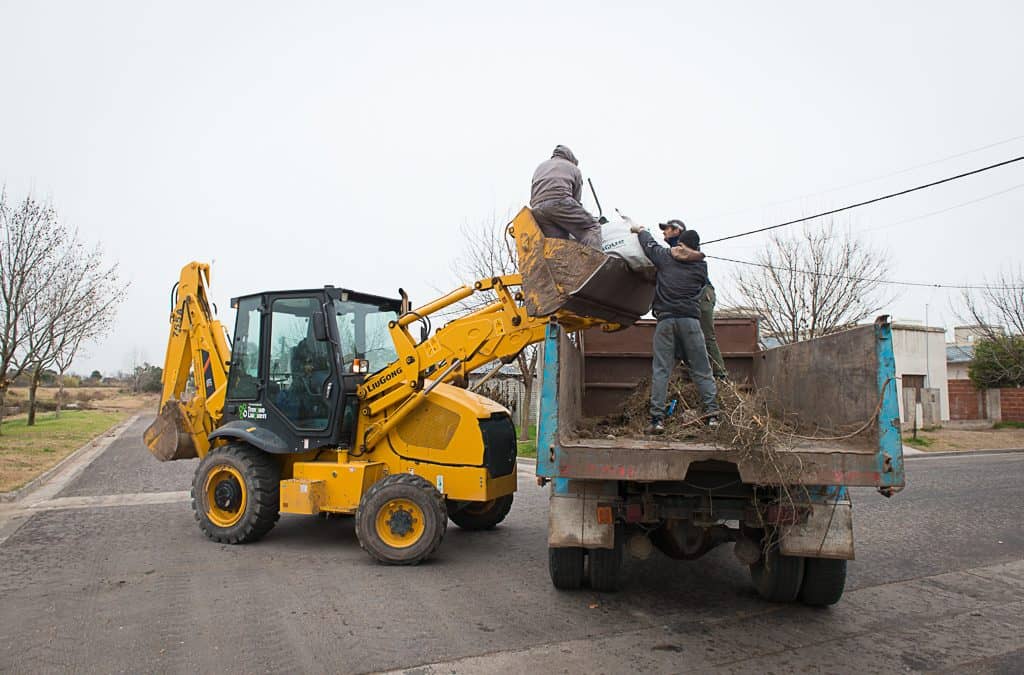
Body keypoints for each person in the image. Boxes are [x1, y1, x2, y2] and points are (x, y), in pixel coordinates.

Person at [629, 222, 720, 434]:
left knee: (662, 370)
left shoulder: (664, 257)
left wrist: (640, 230)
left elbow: (649, 245)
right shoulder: (701, 267)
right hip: (690, 322)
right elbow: (699, 288)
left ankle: (657, 421)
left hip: (666, 321)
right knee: (702, 370)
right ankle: (713, 415)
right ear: (696, 248)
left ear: (680, 243)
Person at [672, 230, 728, 380]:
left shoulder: (688, 252)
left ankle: (720, 373)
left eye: (667, 228)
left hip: (703, 295)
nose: (663, 231)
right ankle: (689, 372)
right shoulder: (678, 248)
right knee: (685, 333)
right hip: (694, 296)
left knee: (706, 335)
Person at [530, 145, 604, 250]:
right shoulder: (573, 168)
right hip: (560, 202)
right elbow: (576, 200)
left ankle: (559, 266)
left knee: (559, 245)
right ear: (570, 157)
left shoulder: (540, 167)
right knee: (592, 227)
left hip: (537, 209)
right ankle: (595, 263)